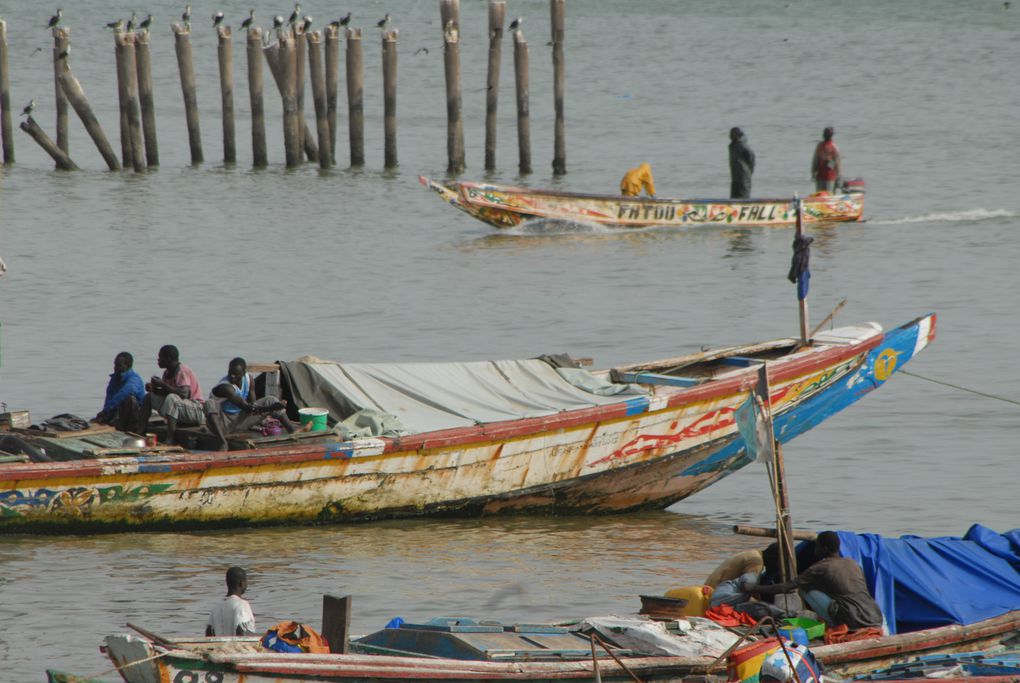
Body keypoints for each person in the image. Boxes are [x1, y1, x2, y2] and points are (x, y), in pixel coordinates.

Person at [755, 531, 884, 631]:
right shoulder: (853, 563)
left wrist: (754, 588)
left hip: (852, 620)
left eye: (817, 546)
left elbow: (786, 587)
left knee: (805, 588)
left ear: (825, 549)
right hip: (875, 616)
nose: (815, 550)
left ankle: (832, 624)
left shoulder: (820, 568)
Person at [203, 357, 308, 451]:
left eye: (236, 374)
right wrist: (271, 408)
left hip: (239, 421)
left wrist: (273, 406)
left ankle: (292, 430)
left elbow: (253, 406)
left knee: (271, 399)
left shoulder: (249, 381)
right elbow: (248, 408)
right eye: (230, 373)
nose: (232, 376)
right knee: (209, 403)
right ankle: (222, 441)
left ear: (244, 373)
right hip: (221, 425)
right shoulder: (226, 387)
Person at [139, 345, 204, 445]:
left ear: (168, 358)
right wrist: (154, 389)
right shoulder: (167, 373)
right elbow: (167, 392)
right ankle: (140, 431)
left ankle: (170, 438)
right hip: (181, 408)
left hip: (196, 410)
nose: (158, 360)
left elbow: (184, 394)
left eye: (160, 357)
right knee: (149, 397)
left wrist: (163, 384)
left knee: (172, 398)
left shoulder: (182, 371)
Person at [94, 352, 146, 432]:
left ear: (128, 366)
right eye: (115, 365)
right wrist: (104, 413)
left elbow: (124, 394)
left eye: (119, 365)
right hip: (117, 413)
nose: (115, 368)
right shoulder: (114, 378)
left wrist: (106, 411)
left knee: (129, 399)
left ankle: (126, 428)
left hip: (135, 416)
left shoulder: (134, 379)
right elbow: (109, 397)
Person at [206, 566, 256, 637]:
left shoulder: (216, 606)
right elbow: (241, 630)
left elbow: (208, 632)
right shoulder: (242, 605)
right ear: (241, 583)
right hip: (237, 647)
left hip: (220, 647)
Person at [811, 127, 841, 193]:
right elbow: (837, 164)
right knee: (826, 196)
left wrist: (813, 173)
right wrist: (838, 177)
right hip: (823, 177)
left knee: (822, 196)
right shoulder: (831, 146)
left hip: (828, 177)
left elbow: (815, 161)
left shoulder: (822, 146)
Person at [728, 127, 755, 199]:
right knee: (734, 196)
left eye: (732, 134)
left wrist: (748, 172)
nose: (730, 135)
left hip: (743, 177)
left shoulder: (742, 145)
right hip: (735, 176)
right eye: (731, 134)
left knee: (742, 196)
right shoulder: (733, 145)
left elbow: (751, 158)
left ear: (738, 135)